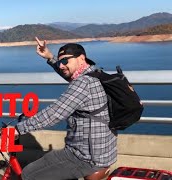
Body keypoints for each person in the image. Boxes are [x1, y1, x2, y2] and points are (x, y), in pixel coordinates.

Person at [14, 37, 118, 180]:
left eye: (65, 61)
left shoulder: (83, 83)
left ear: (81, 59)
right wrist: (50, 57)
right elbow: (68, 74)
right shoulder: (94, 73)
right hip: (103, 151)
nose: (62, 65)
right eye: (60, 61)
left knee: (28, 174)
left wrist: (18, 129)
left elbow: (54, 113)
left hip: (85, 157)